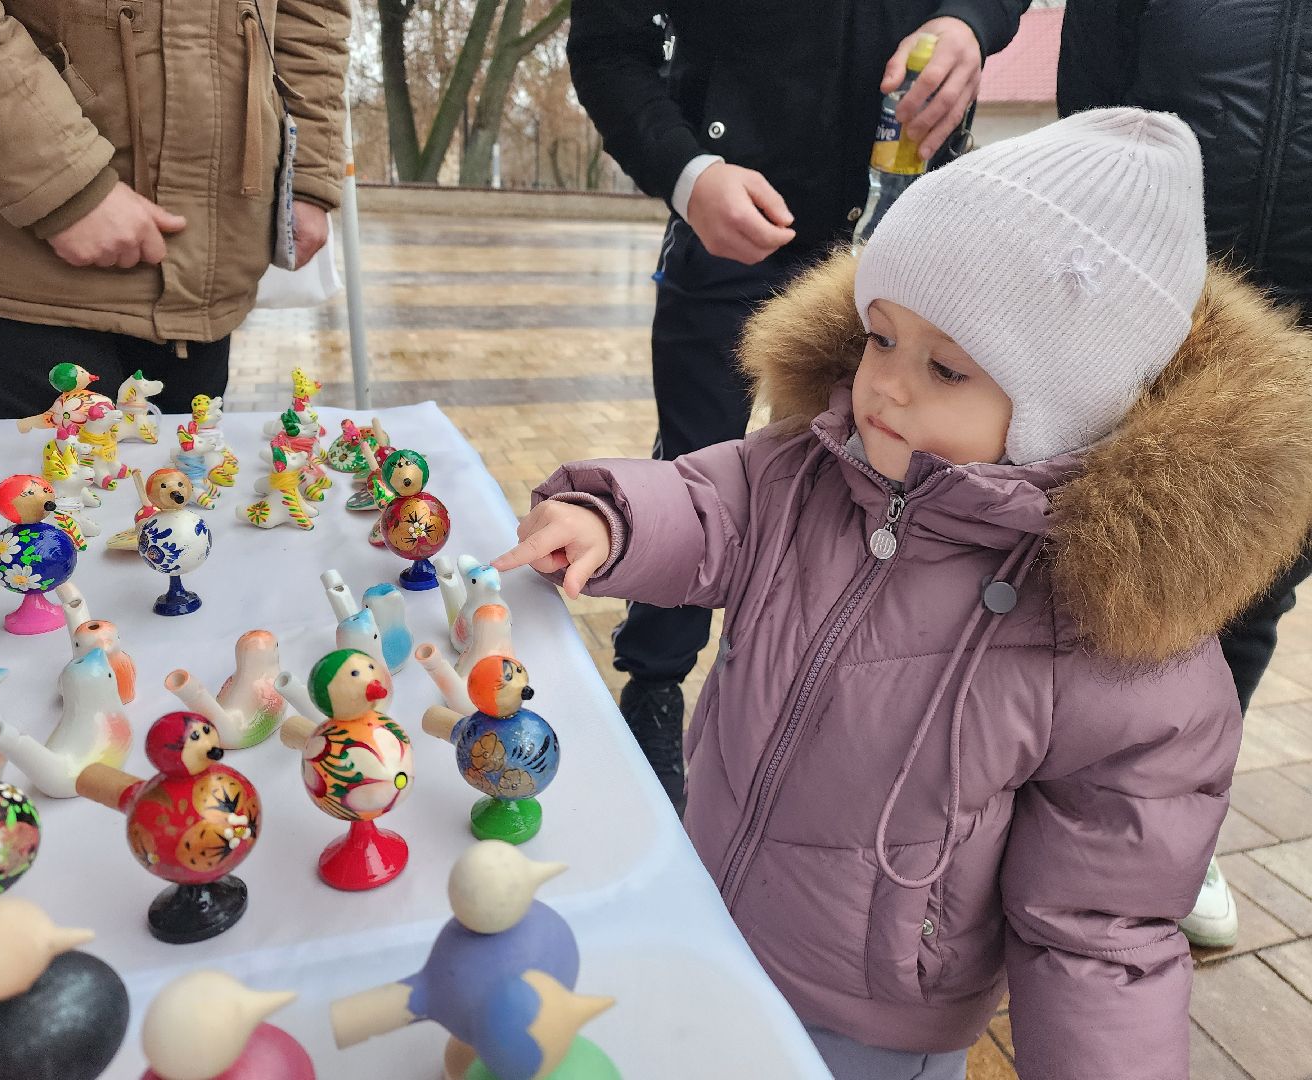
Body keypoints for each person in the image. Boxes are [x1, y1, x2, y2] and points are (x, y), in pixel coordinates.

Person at [493, 110, 1312, 1077]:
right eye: (880, 337)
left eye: (946, 368)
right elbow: (715, 504)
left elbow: (1099, 932)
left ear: (1068, 407)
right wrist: (613, 520)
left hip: (877, 1022)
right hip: (709, 908)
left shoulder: (1113, 645)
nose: (884, 385)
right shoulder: (817, 466)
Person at [566, 0, 1029, 811]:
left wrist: (971, 22)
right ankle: (656, 683)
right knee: (697, 463)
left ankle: (838, 700)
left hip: (900, 220)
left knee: (886, 477)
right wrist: (686, 172)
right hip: (730, 219)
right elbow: (607, 47)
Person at [1059, 0, 1312, 950]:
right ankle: (1047, 800)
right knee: (1093, 569)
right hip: (1161, 315)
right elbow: (1091, 113)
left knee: (1251, 597)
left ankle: (1172, 828)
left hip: (1305, 351)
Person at [0, 0, 350, 419]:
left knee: (185, 479)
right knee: (51, 490)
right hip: (16, 249)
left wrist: (308, 173)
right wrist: (63, 181)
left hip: (210, 252)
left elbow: (313, 16)